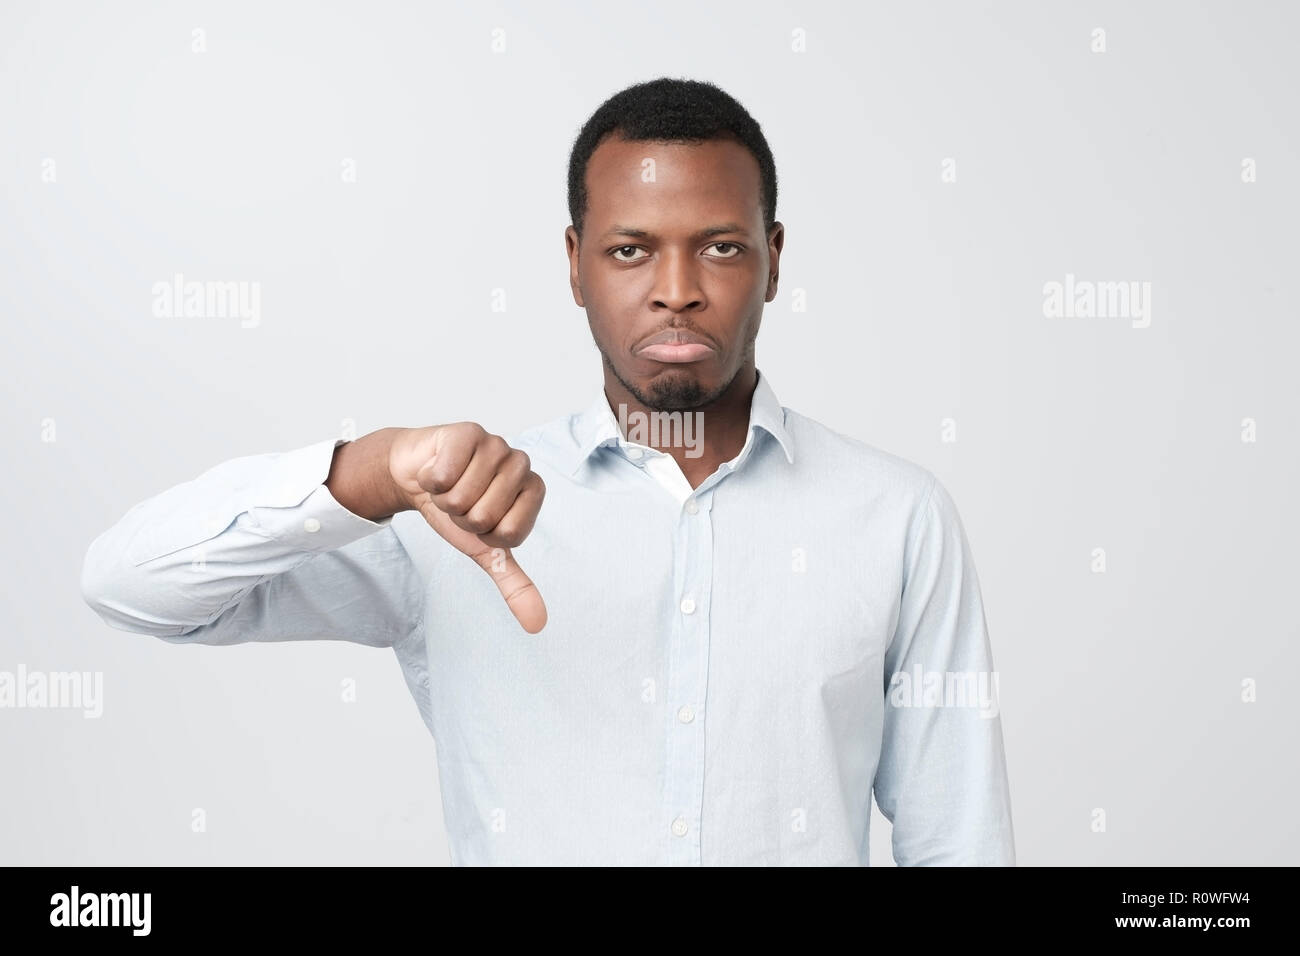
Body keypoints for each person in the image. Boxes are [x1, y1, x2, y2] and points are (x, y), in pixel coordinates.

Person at [81, 77, 1015, 866]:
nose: (676, 286)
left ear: (773, 262)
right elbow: (133, 587)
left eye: (721, 246)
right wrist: (367, 471)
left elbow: (958, 840)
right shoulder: (449, 511)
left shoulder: (896, 518)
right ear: (575, 265)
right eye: (630, 249)